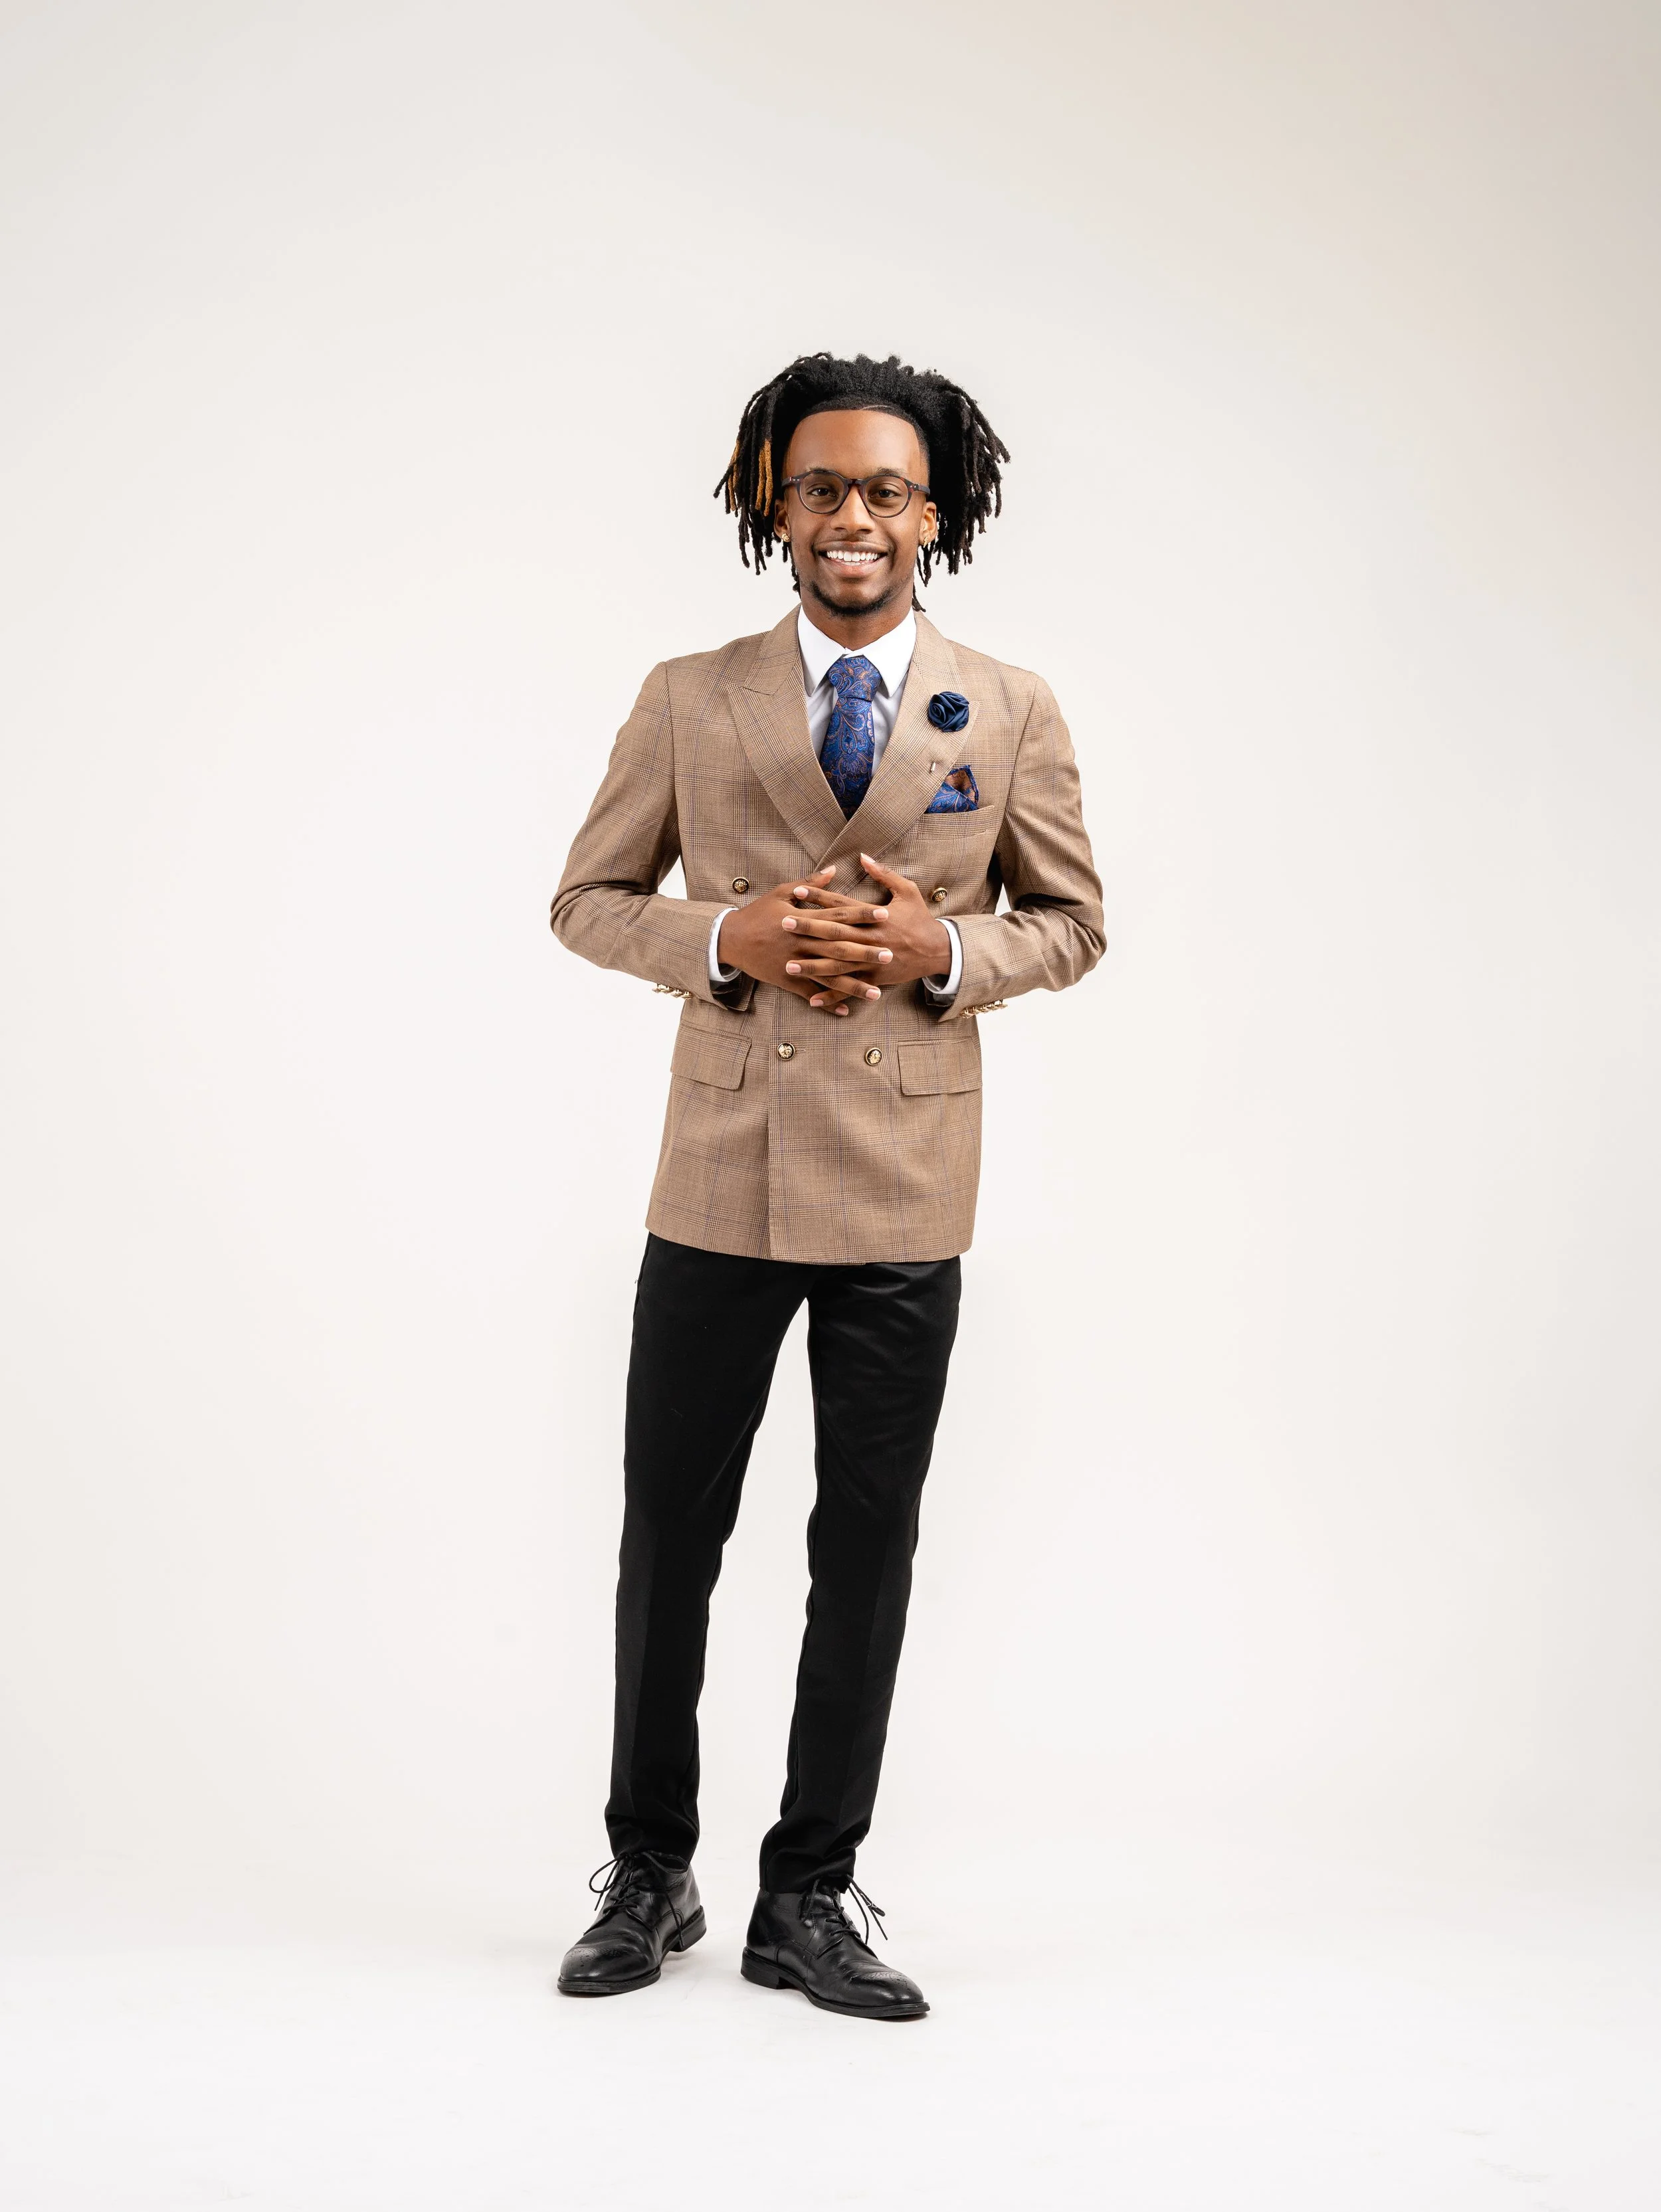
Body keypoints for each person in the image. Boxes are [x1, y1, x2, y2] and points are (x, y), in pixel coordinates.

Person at [548, 351, 1103, 2019]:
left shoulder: (1005, 706)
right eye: (816, 488)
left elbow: (1071, 922)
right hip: (719, 1170)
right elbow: (584, 897)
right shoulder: (686, 692)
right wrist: (724, 935)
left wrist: (945, 947)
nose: (848, 518)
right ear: (766, 503)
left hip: (902, 1180)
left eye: (883, 490)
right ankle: (649, 1873)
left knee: (864, 1542)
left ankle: (810, 1891)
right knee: (672, 1536)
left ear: (935, 512)